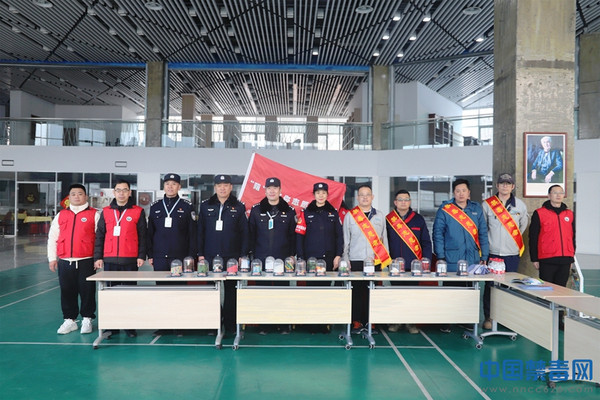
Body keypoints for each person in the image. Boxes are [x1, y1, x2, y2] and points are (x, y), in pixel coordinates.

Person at [433, 178, 489, 333]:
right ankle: (446, 321)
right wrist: (440, 256)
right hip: (451, 257)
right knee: (450, 291)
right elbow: (438, 234)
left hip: (472, 258)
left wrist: (484, 256)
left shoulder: (476, 209)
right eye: (458, 191)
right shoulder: (445, 209)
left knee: (469, 292)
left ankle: (466, 320)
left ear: (469, 192)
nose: (461, 194)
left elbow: (483, 233)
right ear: (453, 193)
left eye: (464, 191)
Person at [94, 179, 147, 338]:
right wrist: (98, 257)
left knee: (129, 294)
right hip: (110, 259)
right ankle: (112, 326)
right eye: (118, 190)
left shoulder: (138, 211)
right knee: (111, 294)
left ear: (129, 192)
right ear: (114, 192)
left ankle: (129, 326)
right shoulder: (106, 211)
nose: (121, 193)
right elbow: (100, 236)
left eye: (125, 190)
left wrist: (141, 255)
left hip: (130, 259)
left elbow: (143, 236)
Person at [197, 174, 248, 334]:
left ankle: (231, 325)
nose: (222, 188)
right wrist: (200, 254)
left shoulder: (239, 207)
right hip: (210, 256)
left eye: (226, 185)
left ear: (231, 187)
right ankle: (214, 324)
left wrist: (243, 254)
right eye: (219, 185)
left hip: (232, 256)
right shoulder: (205, 206)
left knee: (232, 292)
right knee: (212, 290)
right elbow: (200, 231)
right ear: (215, 187)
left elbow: (244, 233)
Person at [147, 173, 197, 335]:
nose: (170, 186)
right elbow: (150, 233)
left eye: (174, 184)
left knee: (179, 291)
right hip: (160, 256)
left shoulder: (187, 206)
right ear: (163, 186)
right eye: (167, 184)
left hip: (180, 257)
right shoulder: (155, 206)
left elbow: (192, 234)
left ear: (179, 187)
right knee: (162, 291)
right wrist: (150, 255)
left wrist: (190, 256)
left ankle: (179, 324)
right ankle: (164, 324)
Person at [47, 184, 100, 335]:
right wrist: (52, 258)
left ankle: (87, 319)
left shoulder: (94, 214)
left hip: (86, 260)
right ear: (69, 197)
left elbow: (100, 239)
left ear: (86, 197)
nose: (77, 196)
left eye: (80, 194)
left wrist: (98, 258)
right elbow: (53, 237)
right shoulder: (61, 215)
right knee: (67, 291)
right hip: (65, 261)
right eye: (73, 194)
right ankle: (69, 320)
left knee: (87, 291)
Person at [248, 177, 296, 334]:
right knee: (264, 292)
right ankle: (265, 324)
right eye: (269, 188)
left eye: (275, 188)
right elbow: (251, 235)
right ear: (265, 190)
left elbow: (293, 236)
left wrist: (292, 255)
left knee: (282, 292)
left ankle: (283, 324)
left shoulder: (289, 211)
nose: (272, 191)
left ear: (280, 190)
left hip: (283, 259)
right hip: (261, 259)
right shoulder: (256, 210)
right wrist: (251, 255)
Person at [482, 173, 528, 329]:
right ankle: (489, 317)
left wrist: (511, 241)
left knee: (509, 287)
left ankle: (506, 319)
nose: (505, 186)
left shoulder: (520, 205)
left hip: (511, 254)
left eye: (508, 183)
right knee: (490, 287)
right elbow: (483, 228)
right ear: (497, 186)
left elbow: (523, 225)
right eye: (502, 183)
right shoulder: (487, 205)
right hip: (493, 253)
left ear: (513, 186)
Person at [296, 182, 343, 333]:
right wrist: (301, 258)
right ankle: (311, 324)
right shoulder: (306, 212)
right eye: (318, 193)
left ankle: (323, 323)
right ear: (314, 195)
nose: (321, 195)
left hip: (328, 259)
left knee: (325, 291)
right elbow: (299, 236)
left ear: (327, 195)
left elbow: (339, 236)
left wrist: (338, 255)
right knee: (312, 291)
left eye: (323, 193)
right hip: (311, 259)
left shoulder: (333, 213)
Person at [342, 184, 390, 334]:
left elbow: (384, 239)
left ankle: (371, 322)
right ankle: (356, 321)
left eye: (367, 195)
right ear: (357, 197)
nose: (364, 197)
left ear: (372, 197)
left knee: (372, 292)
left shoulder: (380, 215)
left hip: (375, 261)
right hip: (355, 260)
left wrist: (385, 260)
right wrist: (346, 259)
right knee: (356, 292)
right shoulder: (350, 216)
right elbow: (346, 240)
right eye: (361, 195)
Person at [385, 189, 432, 334]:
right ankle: (396, 321)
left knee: (412, 294)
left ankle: (411, 322)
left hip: (414, 265)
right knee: (396, 294)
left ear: (410, 202)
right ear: (395, 202)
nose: (403, 202)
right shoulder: (389, 220)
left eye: (406, 199)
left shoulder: (418, 219)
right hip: (395, 265)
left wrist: (426, 260)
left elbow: (426, 242)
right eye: (400, 199)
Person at [529, 185, 575, 287]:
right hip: (547, 258)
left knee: (561, 290)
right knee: (546, 289)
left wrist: (571, 257)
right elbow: (533, 237)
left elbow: (572, 236)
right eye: (555, 193)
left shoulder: (569, 214)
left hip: (565, 259)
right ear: (549, 195)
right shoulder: (539, 213)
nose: (558, 195)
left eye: (561, 193)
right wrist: (534, 258)